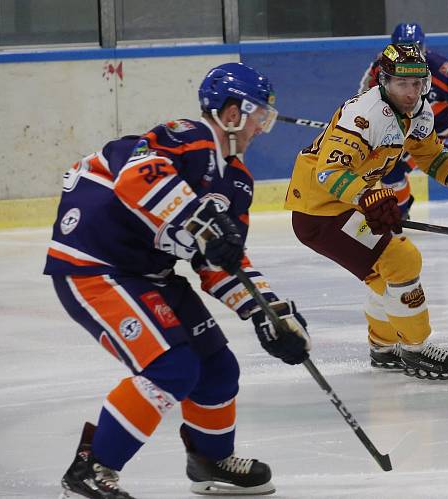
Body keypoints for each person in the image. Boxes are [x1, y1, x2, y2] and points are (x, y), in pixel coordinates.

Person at [45, 62, 311, 498]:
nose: (263, 128)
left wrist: (267, 311)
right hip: (96, 266)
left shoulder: (239, 183)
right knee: (171, 367)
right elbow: (136, 178)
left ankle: (209, 459)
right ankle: (91, 469)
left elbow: (222, 261)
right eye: (259, 115)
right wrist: (199, 221)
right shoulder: (188, 135)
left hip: (151, 272)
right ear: (231, 113)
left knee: (217, 368)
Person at [285, 43, 448, 381]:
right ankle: (414, 348)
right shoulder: (365, 115)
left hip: (343, 207)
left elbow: (430, 156)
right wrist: (369, 196)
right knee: (401, 259)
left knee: (384, 270)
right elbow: (329, 173)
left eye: (417, 84)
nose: (411, 92)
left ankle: (384, 345)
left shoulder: (419, 112)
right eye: (402, 84)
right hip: (321, 211)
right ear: (384, 81)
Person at [358, 22, 448, 219]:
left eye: (414, 49)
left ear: (423, 47)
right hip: (400, 128)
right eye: (402, 50)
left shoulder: (439, 69)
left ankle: (398, 212)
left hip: (433, 131)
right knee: (386, 168)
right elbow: (364, 97)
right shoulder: (381, 68)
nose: (409, 57)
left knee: (393, 168)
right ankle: (399, 210)